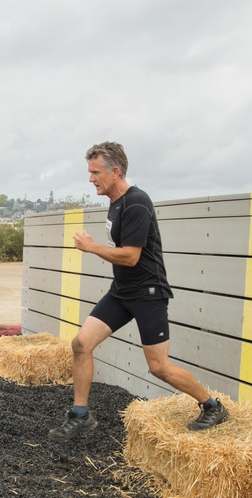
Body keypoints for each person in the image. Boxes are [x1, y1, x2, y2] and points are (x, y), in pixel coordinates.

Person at [48, 141, 229, 442]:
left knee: (158, 367)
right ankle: (80, 415)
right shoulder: (116, 202)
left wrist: (91, 247)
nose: (90, 178)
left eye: (95, 172)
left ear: (115, 171)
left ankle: (212, 406)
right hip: (121, 291)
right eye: (89, 172)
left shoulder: (136, 203)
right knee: (81, 344)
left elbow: (131, 256)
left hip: (148, 293)